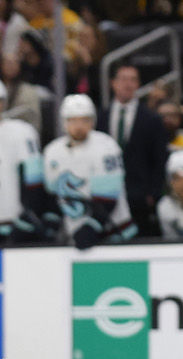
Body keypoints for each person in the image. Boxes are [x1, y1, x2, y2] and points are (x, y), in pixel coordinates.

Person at [42, 94, 134, 248]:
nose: (79, 126)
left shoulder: (106, 147)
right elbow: (52, 195)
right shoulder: (52, 151)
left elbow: (108, 199)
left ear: (93, 121)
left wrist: (92, 227)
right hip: (76, 233)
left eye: (85, 120)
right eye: (73, 120)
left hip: (115, 231)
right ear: (64, 122)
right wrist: (50, 224)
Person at [105, 62, 167, 239]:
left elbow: (159, 158)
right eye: (123, 79)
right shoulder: (102, 117)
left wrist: (153, 193)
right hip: (109, 195)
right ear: (113, 83)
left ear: (138, 84)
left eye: (133, 80)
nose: (128, 84)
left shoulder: (151, 119)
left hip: (140, 197)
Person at [0, 80, 46, 242]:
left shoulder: (22, 132)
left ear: (4, 103)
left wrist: (29, 215)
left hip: (14, 223)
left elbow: (34, 182)